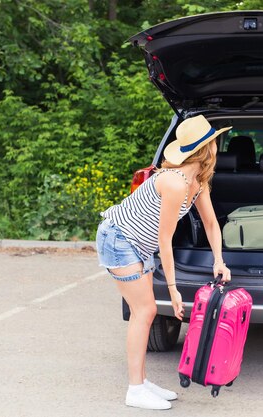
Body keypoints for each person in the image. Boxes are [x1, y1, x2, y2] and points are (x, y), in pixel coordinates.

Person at [96, 115, 232, 410]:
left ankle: (142, 382)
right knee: (145, 311)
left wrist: (219, 261)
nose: (218, 146)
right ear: (207, 149)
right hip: (119, 239)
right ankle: (135, 389)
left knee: (144, 311)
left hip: (137, 243)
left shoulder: (197, 182)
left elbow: (211, 224)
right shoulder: (174, 182)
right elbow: (165, 239)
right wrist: (172, 288)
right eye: (214, 142)